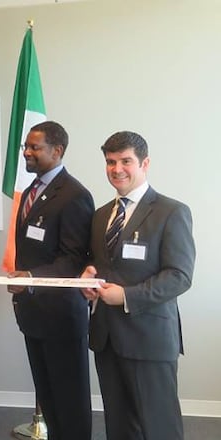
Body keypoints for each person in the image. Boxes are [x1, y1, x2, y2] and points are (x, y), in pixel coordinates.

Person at [80, 131, 195, 440]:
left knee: (159, 428)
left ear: (145, 163)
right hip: (106, 338)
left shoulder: (172, 212)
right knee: (119, 427)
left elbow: (179, 275)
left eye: (125, 161)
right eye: (110, 162)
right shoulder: (101, 215)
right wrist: (87, 277)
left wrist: (126, 296)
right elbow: (98, 263)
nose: (117, 169)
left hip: (149, 339)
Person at [6, 121, 94, 440]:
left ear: (57, 151)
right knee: (49, 396)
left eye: (34, 147)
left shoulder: (74, 195)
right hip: (33, 313)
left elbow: (73, 259)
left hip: (61, 317)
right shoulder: (32, 191)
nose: (26, 153)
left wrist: (30, 278)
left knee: (69, 401)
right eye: (25, 147)